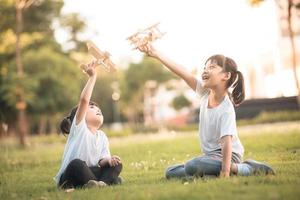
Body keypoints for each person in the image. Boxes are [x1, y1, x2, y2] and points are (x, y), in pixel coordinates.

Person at [138, 43, 275, 179]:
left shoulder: (226, 108)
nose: (205, 70)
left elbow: (226, 143)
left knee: (192, 166)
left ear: (225, 76)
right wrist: (157, 54)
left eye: (212, 67)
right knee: (171, 172)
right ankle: (207, 175)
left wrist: (225, 172)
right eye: (205, 67)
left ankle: (245, 168)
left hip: (229, 157)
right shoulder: (204, 94)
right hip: (210, 158)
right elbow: (182, 72)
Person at [54, 60, 122, 189]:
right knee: (77, 164)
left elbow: (102, 161)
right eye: (92, 107)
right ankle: (106, 182)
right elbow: (84, 100)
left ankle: (99, 184)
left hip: (92, 173)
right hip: (71, 175)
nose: (97, 109)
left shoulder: (101, 136)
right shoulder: (79, 129)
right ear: (81, 115)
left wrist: (110, 160)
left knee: (117, 164)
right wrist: (92, 76)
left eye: (98, 109)